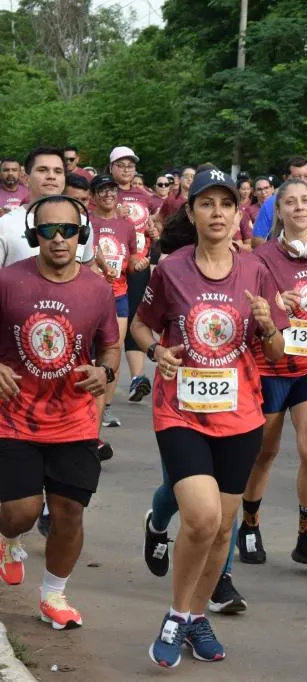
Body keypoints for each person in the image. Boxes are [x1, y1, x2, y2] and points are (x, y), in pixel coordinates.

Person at [132, 169, 288, 668]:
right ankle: (177, 615)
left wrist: (267, 327)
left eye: (226, 204)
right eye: (207, 204)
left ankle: (198, 615)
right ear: (192, 212)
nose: (218, 212)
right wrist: (157, 351)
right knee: (201, 517)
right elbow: (140, 326)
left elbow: (279, 350)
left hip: (241, 414)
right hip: (179, 410)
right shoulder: (172, 269)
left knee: (222, 529)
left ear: (238, 213)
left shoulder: (258, 270)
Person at [0, 194, 120, 629]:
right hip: (14, 417)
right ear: (34, 235)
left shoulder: (97, 289)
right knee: (20, 513)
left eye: (68, 230)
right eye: (48, 230)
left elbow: (110, 345)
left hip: (75, 419)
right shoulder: (8, 281)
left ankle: (53, 595)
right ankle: (8, 539)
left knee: (69, 512)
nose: (58, 238)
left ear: (81, 235)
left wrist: (105, 372)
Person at [236, 179, 307, 570]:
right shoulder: (260, 257)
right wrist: (275, 305)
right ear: (278, 211)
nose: (299, 208)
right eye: (290, 202)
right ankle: (249, 525)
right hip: (271, 363)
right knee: (264, 451)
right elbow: (246, 305)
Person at [90, 174, 147, 429]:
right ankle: (84, 407)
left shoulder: (126, 225)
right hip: (90, 296)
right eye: (102, 190)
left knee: (112, 351)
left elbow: (133, 259)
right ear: (94, 196)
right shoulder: (88, 223)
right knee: (89, 354)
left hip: (119, 295)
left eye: (112, 190)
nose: (108, 194)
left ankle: (107, 408)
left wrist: (139, 264)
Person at [108, 146, 164, 404]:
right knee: (107, 319)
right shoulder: (105, 193)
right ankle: (103, 374)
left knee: (134, 316)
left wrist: (154, 232)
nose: (126, 169)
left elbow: (156, 225)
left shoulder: (145, 196)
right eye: (121, 165)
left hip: (139, 265)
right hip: (111, 266)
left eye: (130, 165)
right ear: (111, 168)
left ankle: (137, 378)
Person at [252, 157, 307, 243]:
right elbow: (257, 240)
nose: (302, 181)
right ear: (285, 178)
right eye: (297, 177)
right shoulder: (270, 203)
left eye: (306, 176)